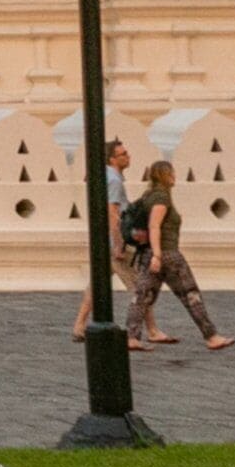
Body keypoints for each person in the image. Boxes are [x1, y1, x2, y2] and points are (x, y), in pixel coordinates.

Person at [120, 161, 231, 350]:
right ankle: (211, 336)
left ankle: (131, 337)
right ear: (166, 175)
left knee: (141, 297)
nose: (175, 176)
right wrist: (157, 255)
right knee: (190, 295)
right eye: (172, 173)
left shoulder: (148, 195)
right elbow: (154, 226)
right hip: (167, 255)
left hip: (149, 255)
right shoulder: (161, 198)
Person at [72, 139, 134, 343]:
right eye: (123, 154)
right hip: (113, 241)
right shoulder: (114, 180)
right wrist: (118, 244)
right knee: (138, 287)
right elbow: (113, 214)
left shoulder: (104, 176)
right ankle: (140, 332)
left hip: (101, 240)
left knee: (97, 285)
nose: (128, 156)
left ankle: (80, 325)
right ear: (112, 159)